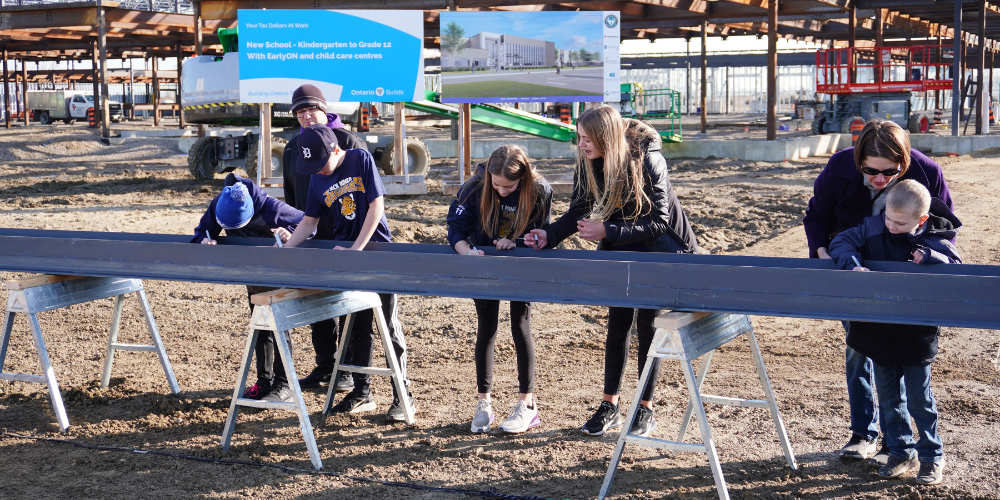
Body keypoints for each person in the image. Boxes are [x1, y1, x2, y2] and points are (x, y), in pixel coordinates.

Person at [525, 104, 699, 437]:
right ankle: (610, 405)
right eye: (578, 138)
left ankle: (645, 408)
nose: (581, 145)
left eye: (586, 138)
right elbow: (578, 208)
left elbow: (660, 221)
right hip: (621, 241)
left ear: (606, 136)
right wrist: (549, 235)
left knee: (649, 322)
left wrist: (609, 232)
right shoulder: (588, 162)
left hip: (660, 247)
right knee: (617, 321)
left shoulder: (648, 159)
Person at [803, 119, 953, 466]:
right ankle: (863, 433)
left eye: (890, 172)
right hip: (853, 270)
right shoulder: (839, 168)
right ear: (858, 160)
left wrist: (928, 258)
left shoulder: (927, 172)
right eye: (871, 172)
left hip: (905, 278)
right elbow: (816, 217)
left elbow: (946, 228)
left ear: (905, 162)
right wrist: (825, 252)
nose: (880, 180)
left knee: (898, 356)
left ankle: (895, 443)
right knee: (859, 350)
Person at [828, 180, 960, 485]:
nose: (891, 225)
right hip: (877, 330)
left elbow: (955, 266)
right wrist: (853, 265)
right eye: (888, 217)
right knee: (888, 397)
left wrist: (930, 259)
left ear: (921, 220)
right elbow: (841, 242)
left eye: (900, 223)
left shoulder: (936, 240)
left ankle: (931, 456)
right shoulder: (873, 228)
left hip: (915, 334)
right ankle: (900, 450)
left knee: (919, 400)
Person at [282, 124, 414, 422]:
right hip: (347, 259)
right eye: (311, 166)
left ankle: (402, 394)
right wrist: (286, 249)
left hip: (377, 252)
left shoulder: (360, 159)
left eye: (320, 163)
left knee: (388, 327)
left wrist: (357, 249)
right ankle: (361, 392)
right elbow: (309, 221)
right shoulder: (317, 178)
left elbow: (376, 206)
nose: (318, 171)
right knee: (354, 325)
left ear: (336, 150)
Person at [446, 145, 553, 434]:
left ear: (524, 179)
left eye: (510, 186)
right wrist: (466, 251)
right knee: (487, 328)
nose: (502, 191)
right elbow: (455, 228)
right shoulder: (473, 187)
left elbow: (543, 233)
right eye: (497, 185)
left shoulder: (540, 190)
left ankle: (526, 405)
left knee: (521, 325)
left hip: (522, 265)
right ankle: (484, 403)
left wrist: (517, 243)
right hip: (483, 262)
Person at [282, 84, 368, 394]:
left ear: (324, 108)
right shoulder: (293, 149)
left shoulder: (348, 142)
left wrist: (357, 242)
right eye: (300, 112)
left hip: (346, 238)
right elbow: (291, 199)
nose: (306, 116)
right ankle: (326, 365)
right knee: (316, 302)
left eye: (311, 110)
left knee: (349, 306)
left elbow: (369, 196)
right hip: (311, 236)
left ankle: (347, 371)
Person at [191, 173, 304, 402]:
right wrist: (205, 240)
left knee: (279, 327)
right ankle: (264, 381)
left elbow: (308, 224)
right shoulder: (219, 204)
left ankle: (285, 385)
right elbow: (202, 231)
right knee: (260, 327)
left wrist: (290, 233)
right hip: (253, 279)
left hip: (280, 278)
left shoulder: (273, 208)